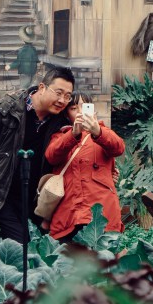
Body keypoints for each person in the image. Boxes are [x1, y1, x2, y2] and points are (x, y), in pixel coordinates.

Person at [0, 67, 74, 245]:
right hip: (0, 194)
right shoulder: (7, 108)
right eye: (58, 93)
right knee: (20, 246)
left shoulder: (60, 121)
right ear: (42, 87)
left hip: (35, 199)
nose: (62, 100)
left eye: (67, 96)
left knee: (37, 250)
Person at [42, 93, 125, 242]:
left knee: (103, 263)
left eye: (84, 106)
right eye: (74, 108)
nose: (80, 112)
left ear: (92, 110)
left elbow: (118, 148)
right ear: (66, 114)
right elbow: (51, 156)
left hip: (101, 215)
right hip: (69, 216)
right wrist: (73, 134)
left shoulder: (103, 132)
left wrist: (97, 132)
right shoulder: (60, 135)